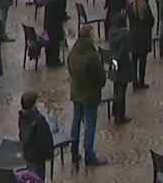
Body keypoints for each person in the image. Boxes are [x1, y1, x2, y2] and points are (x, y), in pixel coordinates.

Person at [66, 26, 108, 166]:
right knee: (89, 124)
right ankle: (89, 155)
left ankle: (74, 150)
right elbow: (100, 76)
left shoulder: (73, 52)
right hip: (90, 95)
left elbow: (69, 68)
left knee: (76, 121)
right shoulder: (92, 56)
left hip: (76, 91)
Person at [19, 90, 57, 182]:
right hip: (38, 156)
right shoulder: (38, 119)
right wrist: (49, 154)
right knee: (38, 178)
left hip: (28, 154)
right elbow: (46, 139)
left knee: (31, 177)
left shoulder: (22, 117)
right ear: (34, 104)